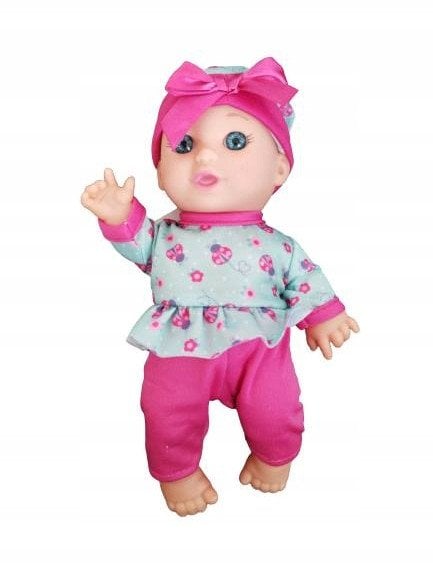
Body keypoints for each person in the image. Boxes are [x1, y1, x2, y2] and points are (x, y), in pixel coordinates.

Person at [81, 57, 359, 517]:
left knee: (275, 408)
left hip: (259, 350)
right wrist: (120, 216)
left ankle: (275, 456)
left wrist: (324, 316)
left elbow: (304, 278)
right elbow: (138, 243)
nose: (205, 157)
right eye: (184, 145)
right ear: (160, 170)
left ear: (279, 168)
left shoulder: (278, 245)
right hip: (178, 348)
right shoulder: (165, 236)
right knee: (166, 412)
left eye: (234, 142)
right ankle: (177, 472)